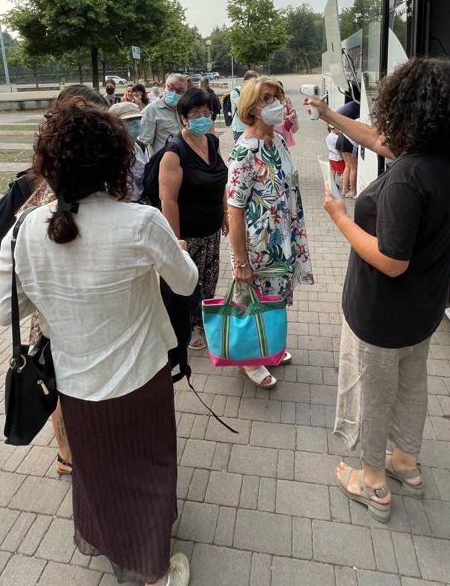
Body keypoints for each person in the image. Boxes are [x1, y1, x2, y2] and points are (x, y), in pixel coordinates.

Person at [0, 102, 198, 586]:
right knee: (148, 465)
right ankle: (155, 579)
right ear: (117, 160)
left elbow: (3, 311)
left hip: (76, 381)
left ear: (48, 165)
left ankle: (112, 539)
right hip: (141, 377)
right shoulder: (141, 222)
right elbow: (185, 282)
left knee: (99, 467)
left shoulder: (22, 232)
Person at [306, 58, 450, 522]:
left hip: (381, 313)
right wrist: (329, 116)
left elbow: (390, 259)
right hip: (423, 310)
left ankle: (373, 481)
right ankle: (405, 461)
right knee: (410, 386)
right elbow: (378, 141)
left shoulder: (407, 178)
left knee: (369, 394)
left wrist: (340, 217)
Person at [18, 83, 108, 475]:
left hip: (84, 298)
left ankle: (78, 447)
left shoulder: (64, 165)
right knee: (58, 377)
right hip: (58, 306)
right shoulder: (54, 185)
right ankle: (68, 453)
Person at [227, 76, 314, 388]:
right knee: (253, 301)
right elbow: (234, 209)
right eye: (265, 99)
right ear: (251, 108)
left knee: (274, 299)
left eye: (275, 96)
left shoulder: (275, 140)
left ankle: (268, 345)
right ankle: (249, 360)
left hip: (282, 238)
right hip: (258, 245)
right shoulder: (244, 151)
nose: (275, 103)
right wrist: (241, 262)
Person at [158, 88, 229, 350]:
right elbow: (168, 200)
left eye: (207, 113)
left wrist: (224, 213)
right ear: (184, 118)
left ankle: (202, 321)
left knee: (209, 279)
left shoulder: (212, 141)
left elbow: (220, 179)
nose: (203, 118)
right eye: (196, 114)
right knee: (188, 282)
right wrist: (176, 240)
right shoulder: (174, 152)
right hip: (187, 234)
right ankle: (186, 325)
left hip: (211, 228)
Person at [109, 100, 150, 202]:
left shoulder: (140, 147)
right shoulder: (109, 151)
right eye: (130, 120)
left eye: (138, 118)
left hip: (140, 205)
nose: (136, 123)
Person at [140, 73, 188, 152]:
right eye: (171, 88)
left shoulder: (182, 109)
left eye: (179, 91)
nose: (174, 93)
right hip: (162, 160)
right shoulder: (150, 110)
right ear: (164, 86)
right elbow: (144, 143)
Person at [337, 100, 360, 197]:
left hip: (341, 138)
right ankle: (353, 192)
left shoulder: (353, 117)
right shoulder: (361, 119)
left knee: (347, 166)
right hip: (350, 142)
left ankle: (344, 190)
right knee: (354, 167)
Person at [229, 70, 259, 144]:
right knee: (241, 152)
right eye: (252, 83)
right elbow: (241, 106)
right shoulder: (235, 92)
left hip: (253, 127)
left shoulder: (255, 91)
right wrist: (246, 91)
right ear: (245, 81)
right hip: (240, 129)